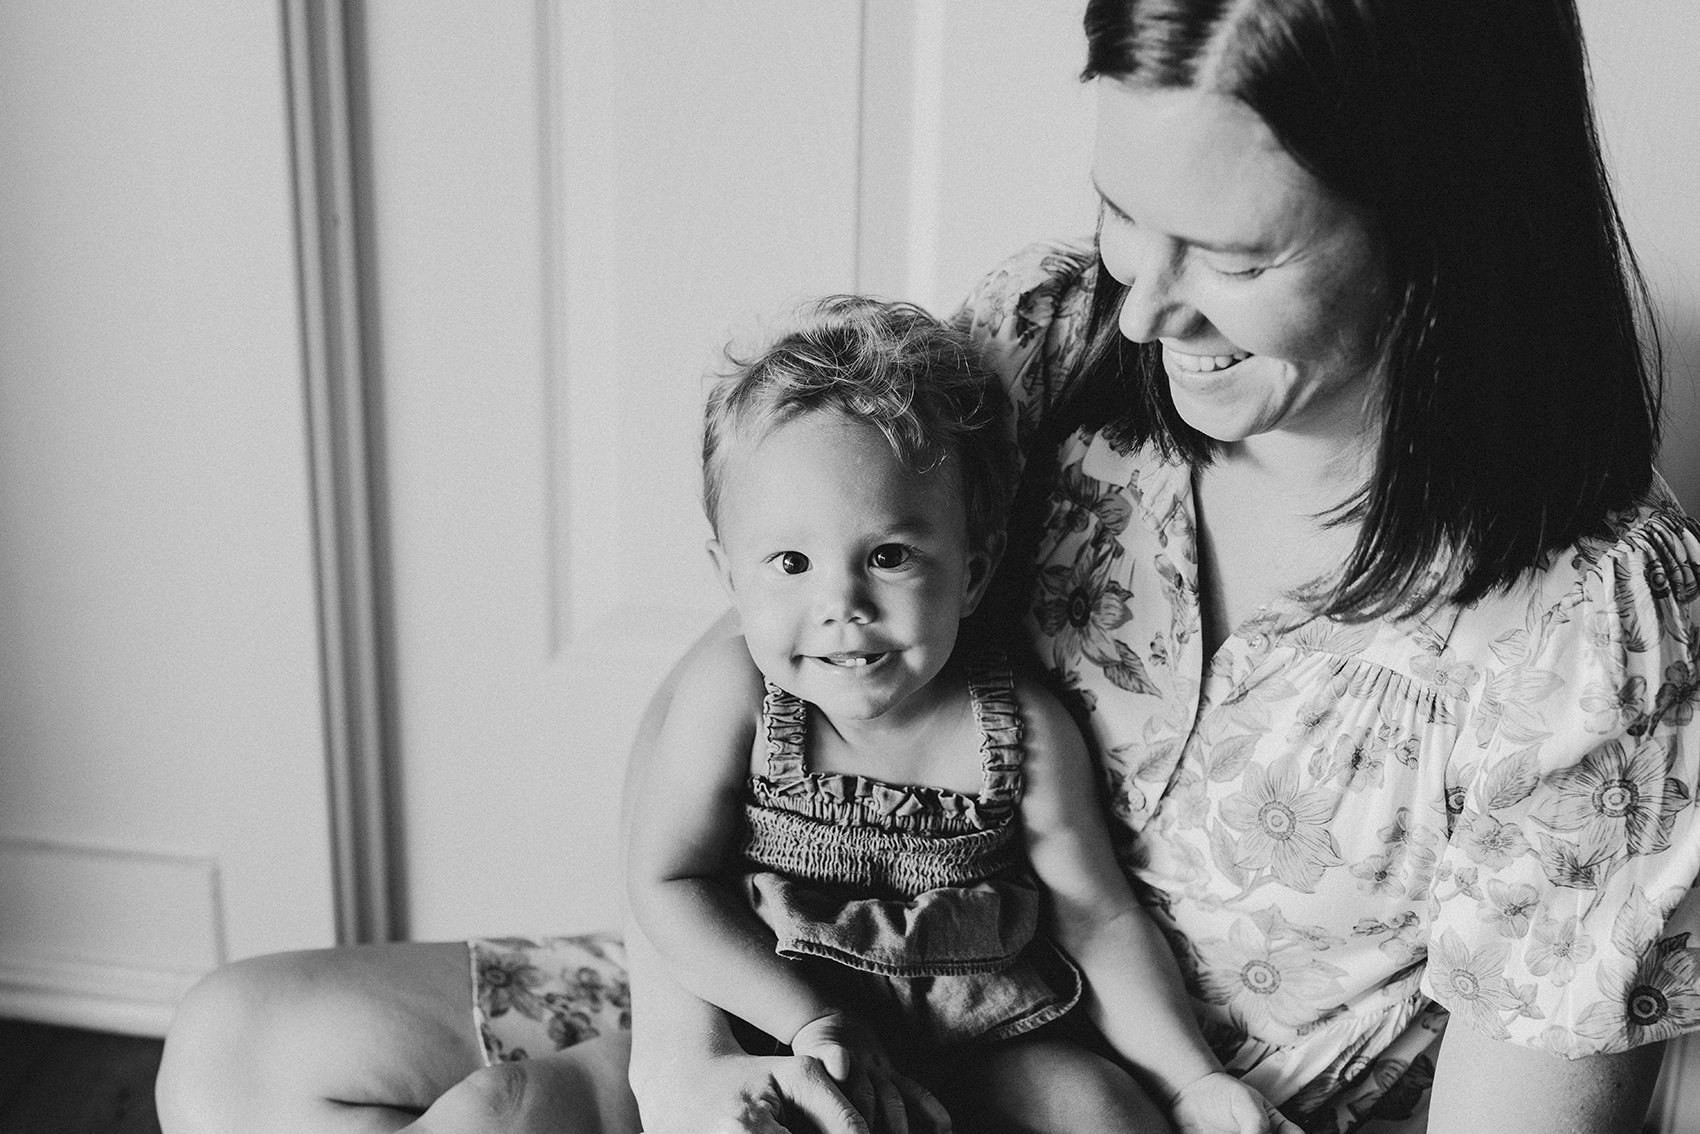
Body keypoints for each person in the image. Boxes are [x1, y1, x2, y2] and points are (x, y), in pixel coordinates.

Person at [155, 1, 1700, 1132]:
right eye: (1122, 216)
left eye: (1235, 258)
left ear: (1446, 223)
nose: (1149, 311)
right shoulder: (1050, 343)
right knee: (241, 1048)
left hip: (1119, 1101)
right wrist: (694, 1044)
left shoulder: (1587, 631)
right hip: (829, 988)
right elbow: (780, 622)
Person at [627, 294, 1297, 1133]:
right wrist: (801, 1019)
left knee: (1102, 1109)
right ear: (729, 577)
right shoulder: (737, 698)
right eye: (791, 562)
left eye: (890, 556)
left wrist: (1193, 1079)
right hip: (786, 1021)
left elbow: (1096, 913)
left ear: (973, 573)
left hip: (985, 1037)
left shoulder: (1018, 727)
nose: (843, 604)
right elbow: (668, 880)